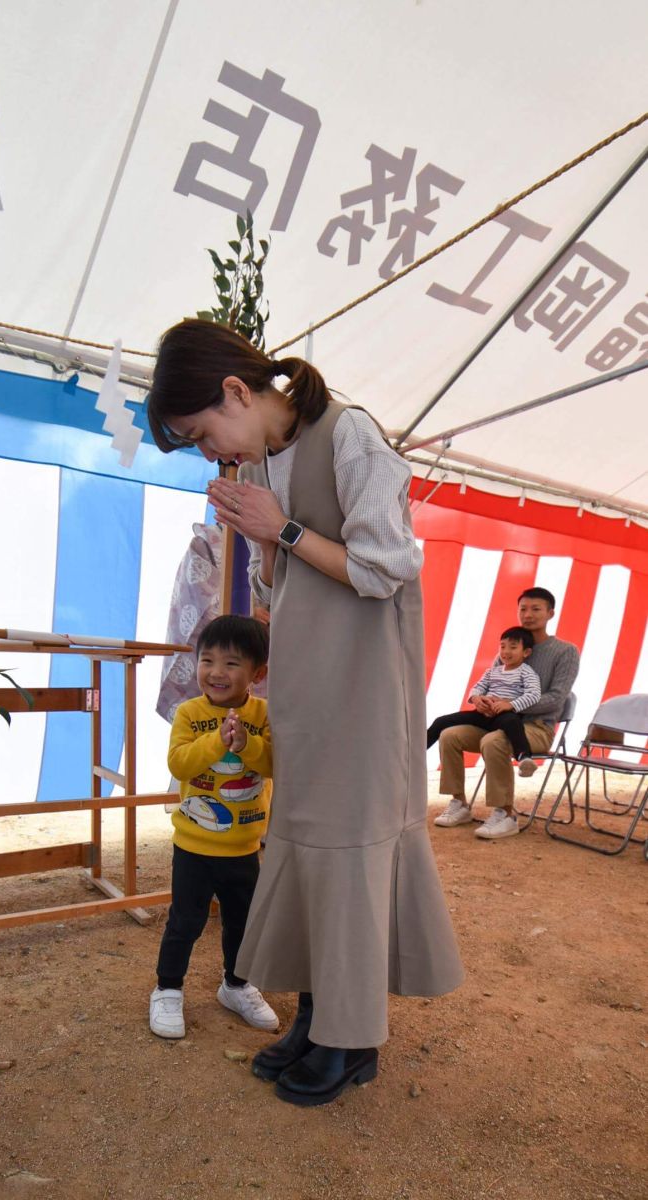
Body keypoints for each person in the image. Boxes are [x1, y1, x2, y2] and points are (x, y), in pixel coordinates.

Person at [147, 318, 463, 1107]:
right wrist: (252, 541)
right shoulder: (259, 460)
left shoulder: (349, 434)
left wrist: (278, 527)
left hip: (362, 677)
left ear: (235, 390)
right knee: (305, 837)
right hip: (304, 678)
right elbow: (278, 582)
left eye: (203, 430)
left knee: (348, 845)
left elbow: (387, 569)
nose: (211, 449)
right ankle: (321, 1013)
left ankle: (351, 1040)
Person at [149, 614, 279, 1040]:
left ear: (256, 673)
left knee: (242, 922)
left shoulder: (264, 714)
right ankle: (167, 989)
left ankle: (236, 985)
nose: (216, 672)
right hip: (194, 846)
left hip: (244, 847)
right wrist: (218, 741)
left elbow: (277, 764)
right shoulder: (190, 713)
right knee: (185, 921)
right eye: (208, 660)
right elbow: (179, 763)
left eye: (231, 663)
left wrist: (248, 744)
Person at [434, 587, 580, 840]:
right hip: (496, 721)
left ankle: (506, 814)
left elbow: (557, 698)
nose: (528, 614)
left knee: (494, 741)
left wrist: (511, 704)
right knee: (449, 734)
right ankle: (459, 803)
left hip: (536, 728)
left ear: (550, 613)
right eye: (523, 608)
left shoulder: (565, 651)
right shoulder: (508, 649)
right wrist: (482, 701)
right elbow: (489, 687)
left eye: (536, 609)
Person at [427, 626, 541, 774]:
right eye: (502, 646)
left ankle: (524, 758)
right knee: (441, 721)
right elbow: (477, 687)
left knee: (513, 723)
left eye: (513, 647)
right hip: (482, 714)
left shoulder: (526, 672)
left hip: (505, 715)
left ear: (526, 652)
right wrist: (476, 699)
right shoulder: (492, 671)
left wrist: (510, 704)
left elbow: (534, 694)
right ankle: (414, 751)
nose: (506, 651)